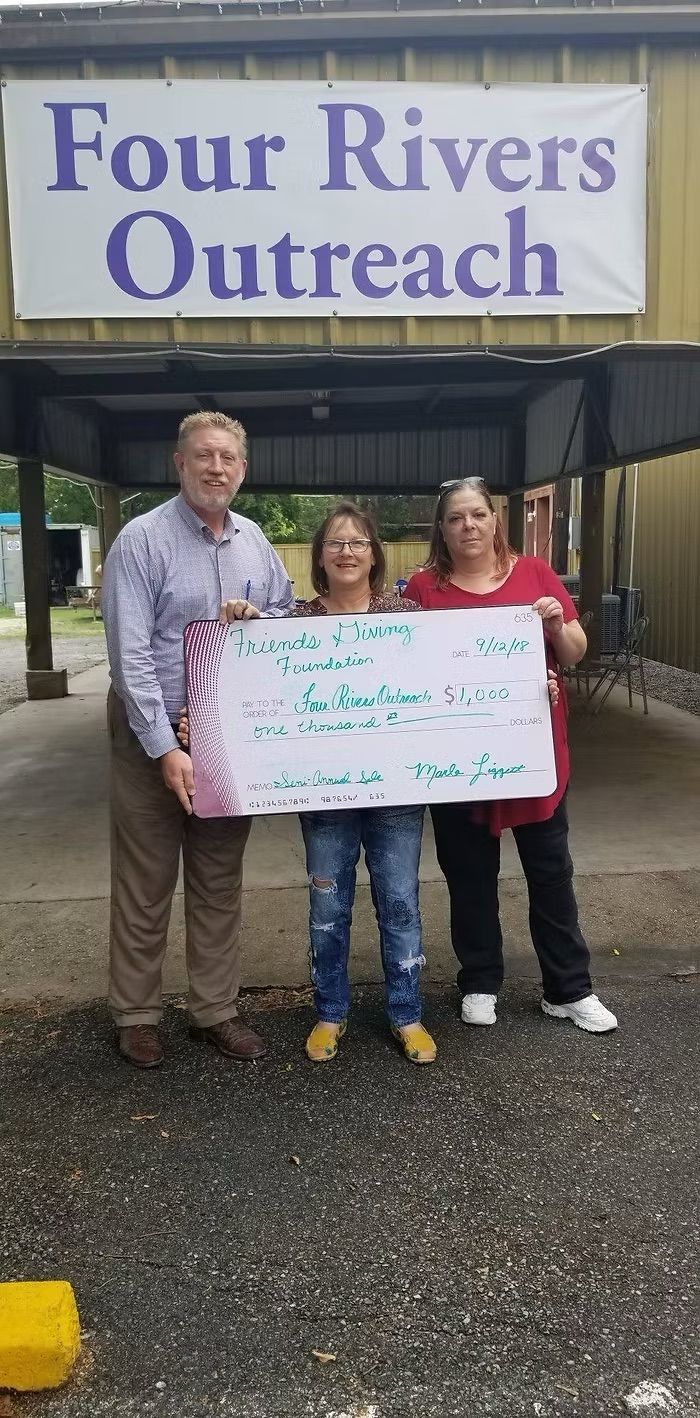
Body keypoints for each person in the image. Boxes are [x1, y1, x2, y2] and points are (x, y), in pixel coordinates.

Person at [101, 411, 294, 1069]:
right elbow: (128, 655)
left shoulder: (255, 542)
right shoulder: (141, 540)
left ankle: (214, 1009)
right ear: (178, 463)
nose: (217, 467)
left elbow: (285, 623)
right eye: (204, 456)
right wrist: (165, 747)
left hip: (226, 734)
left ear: (243, 469)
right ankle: (136, 1013)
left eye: (228, 458)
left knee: (217, 875)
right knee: (146, 875)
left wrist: (256, 617)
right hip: (147, 731)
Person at [215, 503, 437, 1066]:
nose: (346, 551)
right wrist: (243, 622)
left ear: (374, 553)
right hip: (324, 794)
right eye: (335, 543)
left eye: (358, 542)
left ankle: (407, 1014)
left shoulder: (408, 616)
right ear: (319, 557)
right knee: (327, 906)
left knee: (400, 904)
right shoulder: (290, 623)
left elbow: (446, 679)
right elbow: (252, 678)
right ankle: (330, 1013)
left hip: (396, 792)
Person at [405, 477, 617, 1036]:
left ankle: (568, 989)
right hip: (456, 762)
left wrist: (552, 625)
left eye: (477, 515)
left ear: (495, 519)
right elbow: (403, 671)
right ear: (442, 529)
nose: (468, 526)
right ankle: (479, 979)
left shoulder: (535, 575)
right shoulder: (423, 588)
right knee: (469, 874)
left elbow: (573, 652)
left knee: (551, 872)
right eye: (456, 518)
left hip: (531, 753)